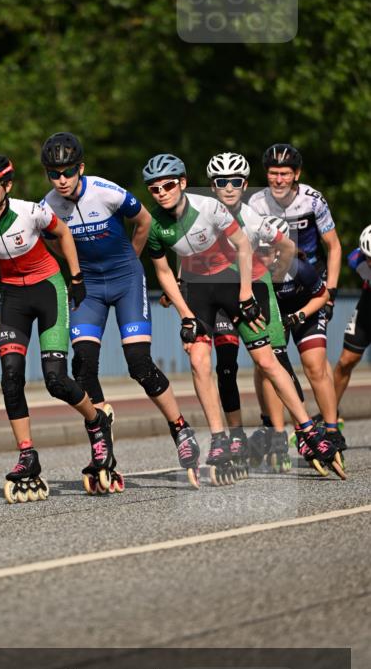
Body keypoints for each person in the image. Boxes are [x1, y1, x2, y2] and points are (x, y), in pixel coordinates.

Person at [141, 152, 341, 483]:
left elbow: (244, 247)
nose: (162, 192)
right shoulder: (156, 225)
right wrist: (184, 311)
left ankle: (307, 428)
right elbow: (166, 270)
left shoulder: (211, 208)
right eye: (155, 188)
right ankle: (220, 438)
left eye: (168, 185)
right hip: (200, 292)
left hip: (237, 281)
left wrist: (249, 292)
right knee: (200, 359)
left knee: (267, 361)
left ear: (184, 183)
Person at [39, 131, 200, 489]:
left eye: (67, 171)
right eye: (54, 173)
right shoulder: (47, 205)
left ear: (80, 168)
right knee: (82, 364)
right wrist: (72, 272)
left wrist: (132, 260)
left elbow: (144, 222)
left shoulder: (106, 191)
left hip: (126, 277)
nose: (61, 180)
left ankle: (180, 428)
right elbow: (48, 241)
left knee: (139, 363)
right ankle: (102, 445)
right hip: (89, 288)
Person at [0, 152, 116, 503]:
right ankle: (27, 453)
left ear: (7, 186)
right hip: (13, 296)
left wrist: (76, 277)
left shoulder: (31, 211)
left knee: (56, 380)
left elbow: (64, 234)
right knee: (10, 376)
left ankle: (96, 423)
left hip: (48, 289)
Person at [206, 152, 297, 475]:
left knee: (270, 363)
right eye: (221, 182)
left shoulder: (254, 220)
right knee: (226, 367)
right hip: (220, 301)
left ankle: (281, 435)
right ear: (213, 186)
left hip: (253, 297)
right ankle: (235, 437)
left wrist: (273, 278)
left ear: (244, 185)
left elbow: (288, 249)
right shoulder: (203, 214)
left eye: (235, 182)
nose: (228, 188)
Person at [248, 143, 342, 401]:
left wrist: (331, 291)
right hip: (274, 288)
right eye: (273, 173)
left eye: (285, 173)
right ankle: (277, 428)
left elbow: (333, 247)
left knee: (315, 362)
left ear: (296, 174)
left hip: (309, 284)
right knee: (267, 362)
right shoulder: (256, 203)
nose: (279, 179)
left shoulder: (313, 200)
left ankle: (330, 426)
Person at [254, 241, 346, 475]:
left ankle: (332, 431)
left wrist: (299, 315)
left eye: (267, 252)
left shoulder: (297, 267)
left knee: (315, 366)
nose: (262, 257)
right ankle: (278, 437)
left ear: (277, 251)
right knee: (269, 366)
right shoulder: (254, 271)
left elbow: (323, 296)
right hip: (275, 313)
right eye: (258, 252)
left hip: (307, 309)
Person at [334, 225, 371, 410]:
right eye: (369, 258)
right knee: (345, 360)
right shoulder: (356, 260)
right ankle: (329, 414)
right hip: (368, 305)